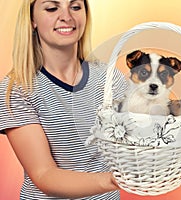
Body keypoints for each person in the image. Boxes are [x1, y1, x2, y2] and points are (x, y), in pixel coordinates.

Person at [0, 0, 127, 199]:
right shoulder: (18, 88)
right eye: (52, 8)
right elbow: (44, 174)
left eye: (75, 7)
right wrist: (113, 180)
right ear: (32, 19)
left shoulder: (110, 79)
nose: (67, 16)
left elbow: (135, 139)